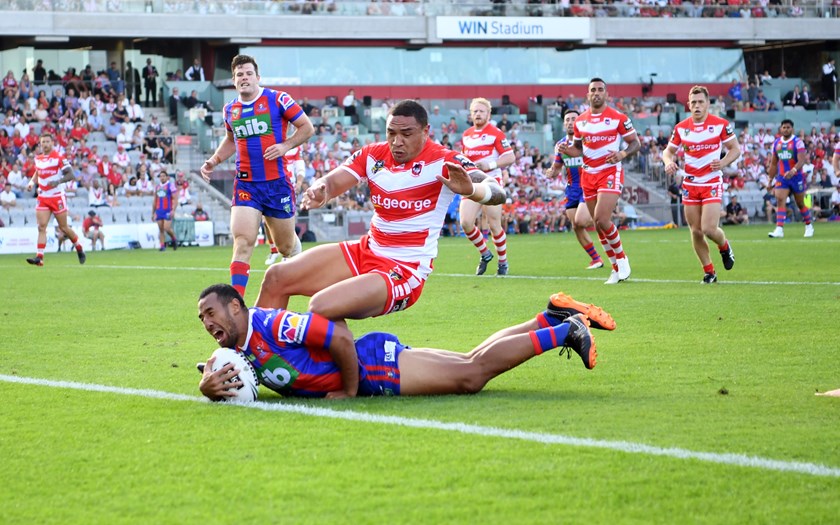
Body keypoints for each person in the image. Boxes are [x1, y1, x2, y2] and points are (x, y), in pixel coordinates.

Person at [254, 99, 506, 321]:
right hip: (367, 251)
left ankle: (337, 371)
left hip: (405, 269)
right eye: (391, 133)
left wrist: (473, 191)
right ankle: (252, 357)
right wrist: (321, 189)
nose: (397, 141)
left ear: (426, 131)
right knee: (276, 276)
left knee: (322, 306)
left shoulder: (445, 160)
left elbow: (497, 192)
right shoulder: (374, 155)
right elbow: (331, 182)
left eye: (406, 134)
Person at [196, 284, 612, 401]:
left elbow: (339, 336)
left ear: (236, 308)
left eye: (211, 314)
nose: (207, 324)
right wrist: (206, 382)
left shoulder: (274, 325)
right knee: (470, 360)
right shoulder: (237, 344)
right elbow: (223, 368)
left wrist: (349, 389)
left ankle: (566, 332)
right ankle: (548, 317)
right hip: (373, 363)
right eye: (201, 320)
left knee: (471, 377)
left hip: (371, 366)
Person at [199, 54, 315, 298]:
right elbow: (232, 140)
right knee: (242, 242)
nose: (244, 78)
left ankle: (296, 257)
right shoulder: (230, 109)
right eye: (239, 74)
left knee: (285, 246)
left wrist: (285, 146)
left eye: (248, 73)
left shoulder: (278, 99)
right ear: (234, 80)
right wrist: (214, 160)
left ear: (257, 77)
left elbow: (307, 128)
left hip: (277, 185)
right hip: (246, 184)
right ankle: (236, 305)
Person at [556, 78, 640, 285]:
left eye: (600, 89)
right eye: (593, 90)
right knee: (597, 224)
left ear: (606, 94)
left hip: (610, 171)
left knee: (602, 219)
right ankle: (614, 268)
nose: (596, 93)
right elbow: (578, 149)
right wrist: (568, 151)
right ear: (588, 95)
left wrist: (622, 154)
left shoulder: (618, 118)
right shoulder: (580, 121)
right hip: (589, 174)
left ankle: (622, 259)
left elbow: (635, 143)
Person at [662, 86, 738, 284]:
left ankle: (724, 246)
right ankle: (709, 272)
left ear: (708, 104)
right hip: (690, 183)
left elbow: (735, 149)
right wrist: (668, 162)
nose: (696, 106)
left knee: (708, 229)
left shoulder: (720, 125)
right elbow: (667, 152)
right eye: (693, 102)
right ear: (688, 104)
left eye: (700, 102)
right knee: (695, 231)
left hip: (711, 181)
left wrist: (722, 163)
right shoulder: (681, 128)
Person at [459, 97, 515, 276]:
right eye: (475, 111)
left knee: (494, 224)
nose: (477, 114)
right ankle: (485, 253)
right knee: (466, 222)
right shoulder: (466, 135)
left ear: (488, 114)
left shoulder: (496, 133)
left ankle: (503, 263)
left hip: (492, 183)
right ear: (470, 114)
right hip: (472, 183)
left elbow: (510, 157)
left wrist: (489, 165)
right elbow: (463, 158)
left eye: (481, 111)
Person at [545, 108, 603, 270]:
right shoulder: (561, 145)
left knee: (581, 220)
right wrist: (552, 171)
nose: (570, 122)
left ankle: (605, 225)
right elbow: (557, 167)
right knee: (576, 226)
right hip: (571, 190)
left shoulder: (587, 142)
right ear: (564, 124)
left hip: (588, 186)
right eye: (567, 120)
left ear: (580, 122)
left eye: (573, 119)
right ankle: (596, 259)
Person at [24, 133, 86, 266]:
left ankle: (79, 247)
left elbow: (70, 174)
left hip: (57, 196)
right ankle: (39, 257)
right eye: (43, 142)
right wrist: (31, 182)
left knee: (63, 227)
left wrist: (58, 181)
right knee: (41, 227)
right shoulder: (38, 158)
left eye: (47, 142)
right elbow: (38, 172)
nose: (45, 144)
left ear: (52, 143)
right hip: (43, 197)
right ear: (40, 144)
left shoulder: (58, 157)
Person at [767, 119, 814, 238]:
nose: (786, 129)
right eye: (784, 127)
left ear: (792, 129)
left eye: (788, 127)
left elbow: (801, 160)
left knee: (800, 203)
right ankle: (779, 229)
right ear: (780, 129)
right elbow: (773, 164)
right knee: (780, 199)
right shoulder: (776, 143)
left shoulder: (798, 142)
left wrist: (793, 170)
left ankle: (809, 225)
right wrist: (769, 180)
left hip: (796, 177)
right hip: (782, 177)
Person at [152, 171, 178, 251]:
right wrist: (153, 212)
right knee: (161, 229)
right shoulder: (157, 187)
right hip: (159, 210)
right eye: (161, 176)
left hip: (167, 210)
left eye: (163, 176)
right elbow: (155, 200)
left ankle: (174, 239)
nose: (162, 177)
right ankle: (162, 246)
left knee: (166, 228)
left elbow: (175, 199)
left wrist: (173, 210)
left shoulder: (170, 186)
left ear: (167, 177)